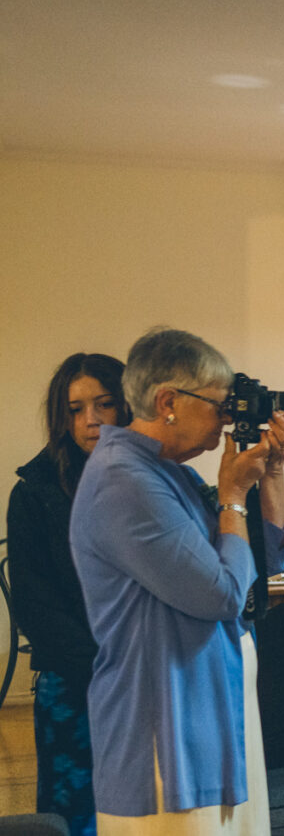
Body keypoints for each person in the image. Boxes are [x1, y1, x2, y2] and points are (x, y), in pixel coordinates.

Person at [68, 328, 284, 834]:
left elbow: (268, 559)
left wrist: (272, 472)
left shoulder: (171, 472)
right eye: (218, 404)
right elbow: (222, 594)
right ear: (167, 401)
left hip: (214, 709)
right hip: (167, 724)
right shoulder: (124, 480)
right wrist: (233, 492)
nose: (225, 417)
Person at [7, 353, 131, 835]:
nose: (91, 420)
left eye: (103, 404)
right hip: (74, 675)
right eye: (76, 409)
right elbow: (35, 607)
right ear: (61, 417)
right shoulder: (34, 492)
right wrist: (105, 667)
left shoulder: (155, 478)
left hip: (146, 674)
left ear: (126, 404)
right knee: (72, 816)